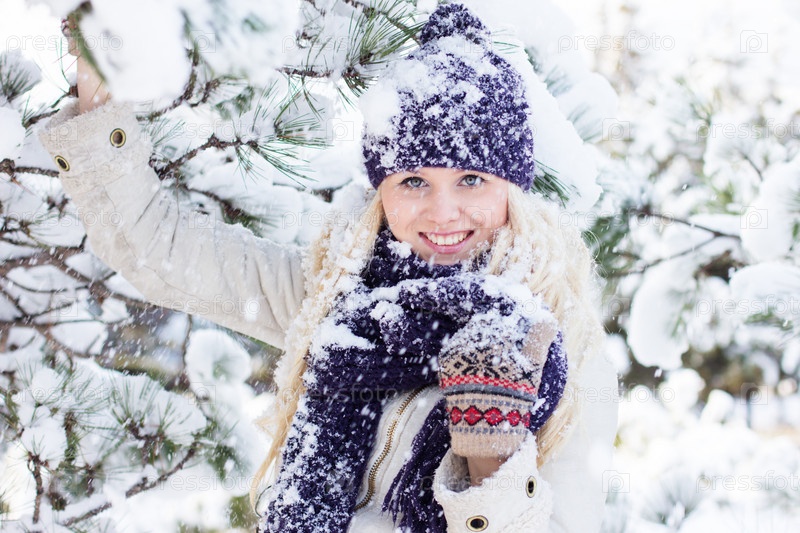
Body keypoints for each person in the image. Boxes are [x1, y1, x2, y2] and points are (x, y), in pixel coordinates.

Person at [42, 3, 618, 532]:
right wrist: (97, 86)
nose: (443, 212)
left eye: (472, 179)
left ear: (512, 188)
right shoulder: (333, 299)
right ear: (381, 191)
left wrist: (491, 459)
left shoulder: (566, 350)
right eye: (414, 181)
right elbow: (157, 248)